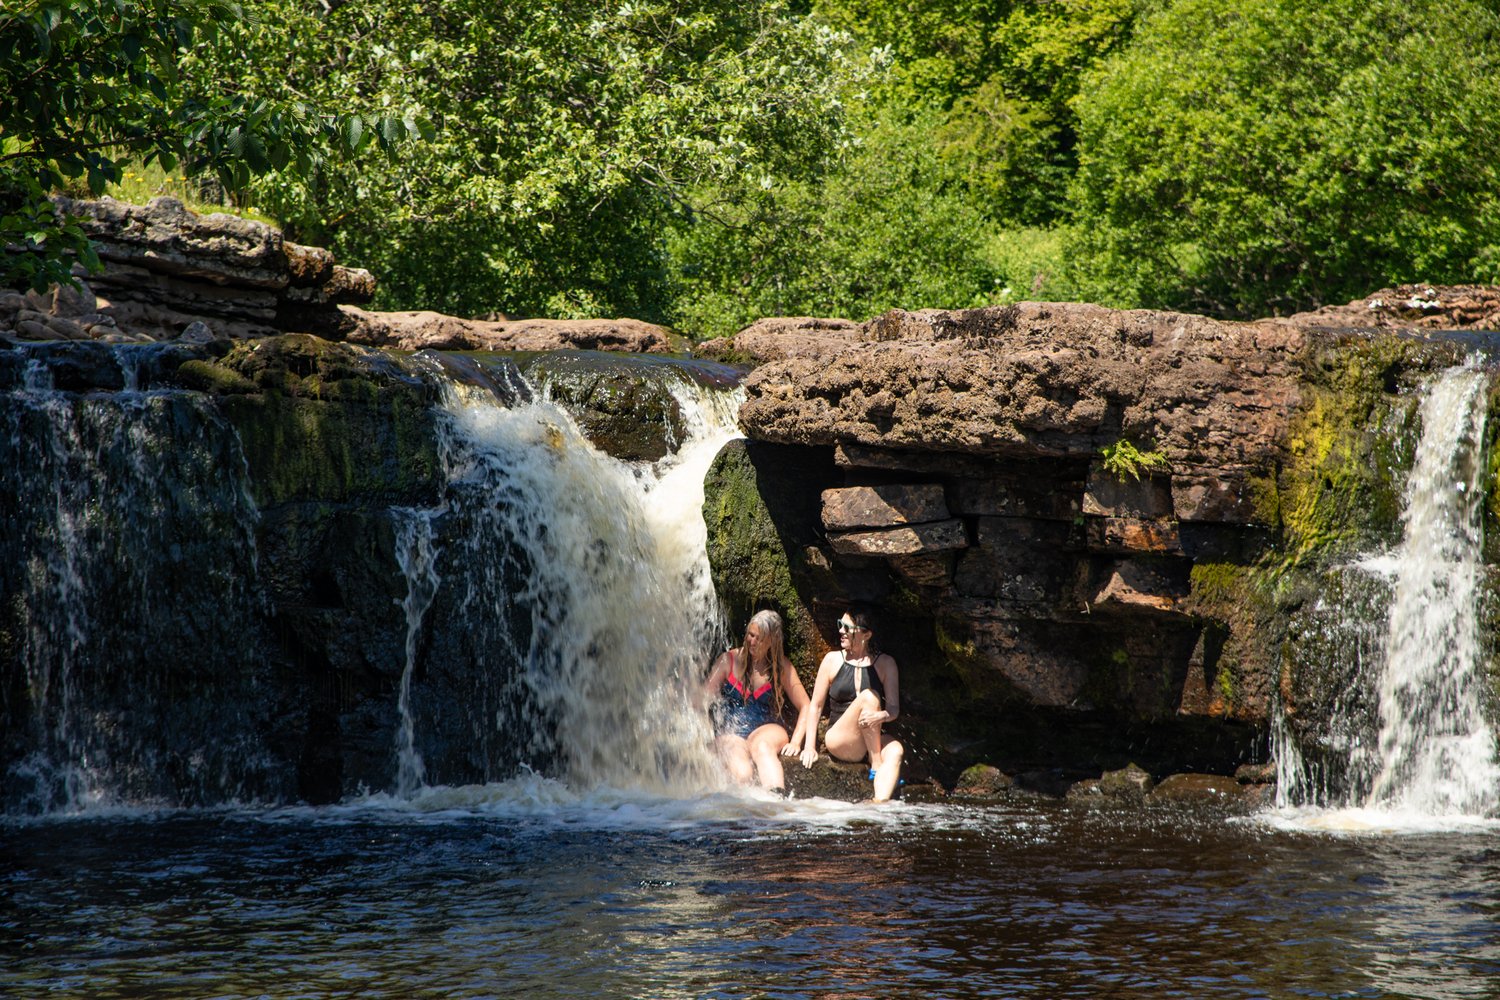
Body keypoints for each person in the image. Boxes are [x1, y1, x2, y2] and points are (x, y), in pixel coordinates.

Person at [788, 607, 904, 802]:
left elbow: (893, 709)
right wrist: (809, 746)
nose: (841, 630)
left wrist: (881, 716)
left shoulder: (886, 663)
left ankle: (878, 805)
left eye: (846, 627)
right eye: (839, 625)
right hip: (840, 739)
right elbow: (815, 706)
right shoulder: (832, 660)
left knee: (896, 750)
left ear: (866, 634)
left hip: (871, 739)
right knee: (869, 697)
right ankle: (876, 765)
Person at [702, 609, 811, 792]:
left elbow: (806, 705)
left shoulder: (781, 666)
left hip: (767, 729)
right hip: (731, 733)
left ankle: (777, 803)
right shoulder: (728, 660)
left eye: (759, 638)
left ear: (772, 641)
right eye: (750, 635)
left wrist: (796, 742)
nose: (752, 641)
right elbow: (703, 699)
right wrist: (702, 735)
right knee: (743, 771)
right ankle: (747, 809)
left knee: (763, 747)